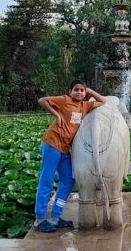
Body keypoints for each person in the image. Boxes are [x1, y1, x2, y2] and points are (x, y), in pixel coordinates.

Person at [34, 80, 106, 232]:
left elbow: (102, 100)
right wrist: (56, 115)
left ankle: (55, 217)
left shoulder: (84, 105)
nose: (79, 92)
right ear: (70, 91)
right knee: (46, 182)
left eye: (82, 90)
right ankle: (39, 219)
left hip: (65, 149)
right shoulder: (64, 100)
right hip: (52, 145)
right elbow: (42, 100)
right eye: (76, 89)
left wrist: (89, 91)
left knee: (67, 182)